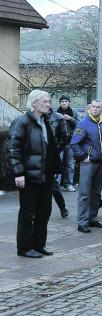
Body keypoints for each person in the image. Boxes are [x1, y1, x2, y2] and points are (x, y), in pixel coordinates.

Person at [7, 90, 62, 258]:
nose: (48, 104)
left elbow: (50, 148)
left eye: (49, 101)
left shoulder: (46, 121)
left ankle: (39, 245)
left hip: (46, 176)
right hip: (30, 177)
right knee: (27, 213)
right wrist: (19, 173)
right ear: (34, 104)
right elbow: (13, 149)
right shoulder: (21, 122)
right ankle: (25, 247)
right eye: (45, 101)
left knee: (44, 212)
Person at [70, 100, 102, 233]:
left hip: (101, 164)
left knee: (96, 193)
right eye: (93, 107)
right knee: (84, 193)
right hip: (87, 164)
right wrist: (83, 156)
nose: (95, 109)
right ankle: (82, 222)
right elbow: (74, 144)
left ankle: (92, 218)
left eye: (98, 107)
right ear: (90, 108)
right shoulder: (83, 123)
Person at [48, 110, 70, 218]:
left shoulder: (58, 117)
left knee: (53, 185)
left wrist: (55, 151)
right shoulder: (33, 117)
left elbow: (63, 137)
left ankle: (62, 207)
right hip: (37, 155)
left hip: (52, 154)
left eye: (47, 101)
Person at [56, 95, 78, 191]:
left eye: (66, 101)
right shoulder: (55, 113)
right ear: (59, 103)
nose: (64, 103)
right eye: (62, 101)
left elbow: (80, 125)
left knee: (70, 164)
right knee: (57, 164)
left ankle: (69, 184)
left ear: (69, 102)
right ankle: (56, 185)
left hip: (70, 142)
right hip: (59, 143)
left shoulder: (73, 112)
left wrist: (71, 119)